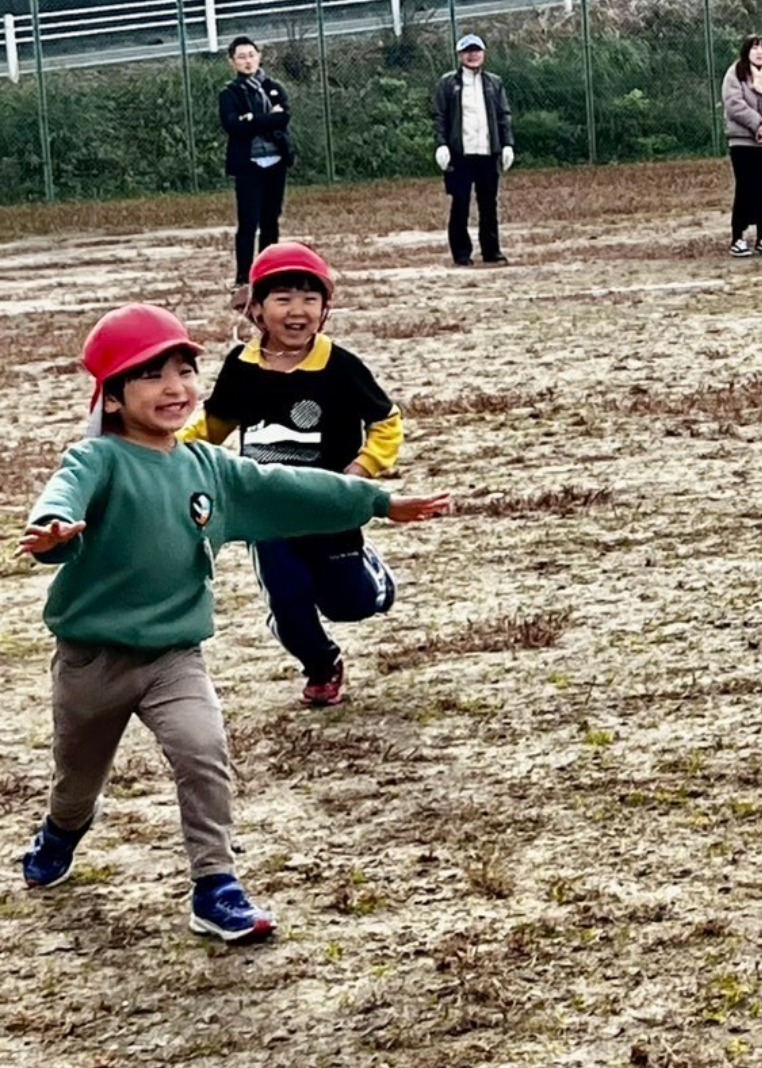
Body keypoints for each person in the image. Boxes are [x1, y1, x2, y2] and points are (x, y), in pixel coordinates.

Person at [15, 305, 449, 942]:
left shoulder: (207, 468)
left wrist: (378, 501)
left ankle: (216, 886)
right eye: (151, 376)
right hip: (91, 661)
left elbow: (288, 488)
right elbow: (61, 500)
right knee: (78, 781)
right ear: (110, 398)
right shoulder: (96, 460)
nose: (175, 388)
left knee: (204, 752)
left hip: (174, 658)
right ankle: (60, 832)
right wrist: (51, 535)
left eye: (184, 370)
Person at [179, 242, 406, 708]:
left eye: (309, 299)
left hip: (328, 506)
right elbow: (216, 425)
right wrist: (170, 452)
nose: (296, 310)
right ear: (257, 309)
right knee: (288, 598)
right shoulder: (241, 367)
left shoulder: (340, 367)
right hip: (266, 512)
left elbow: (386, 421)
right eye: (282, 298)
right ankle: (320, 665)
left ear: (325, 310)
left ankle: (375, 578)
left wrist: (360, 470)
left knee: (351, 603)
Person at [218, 37, 294, 305]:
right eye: (241, 56)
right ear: (232, 62)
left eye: (251, 55)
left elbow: (283, 117)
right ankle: (242, 277)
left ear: (259, 56)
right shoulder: (230, 93)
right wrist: (264, 120)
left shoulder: (274, 88)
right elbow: (234, 126)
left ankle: (268, 272)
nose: (247, 60)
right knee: (248, 223)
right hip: (248, 166)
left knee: (271, 220)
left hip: (276, 163)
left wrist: (253, 119)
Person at [432, 33, 516, 266]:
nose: (472, 55)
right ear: (460, 55)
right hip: (460, 155)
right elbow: (439, 117)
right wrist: (441, 145)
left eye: (476, 50)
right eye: (467, 51)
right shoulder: (448, 83)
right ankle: (461, 253)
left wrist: (507, 144)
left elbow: (503, 116)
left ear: (483, 53)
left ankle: (492, 251)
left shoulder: (494, 83)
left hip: (488, 153)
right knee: (460, 203)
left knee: (489, 203)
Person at [722, 35, 762, 256]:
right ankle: (738, 237)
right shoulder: (735, 73)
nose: (759, 52)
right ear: (746, 52)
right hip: (742, 141)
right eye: (754, 48)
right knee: (746, 187)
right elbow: (733, 104)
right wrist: (757, 124)